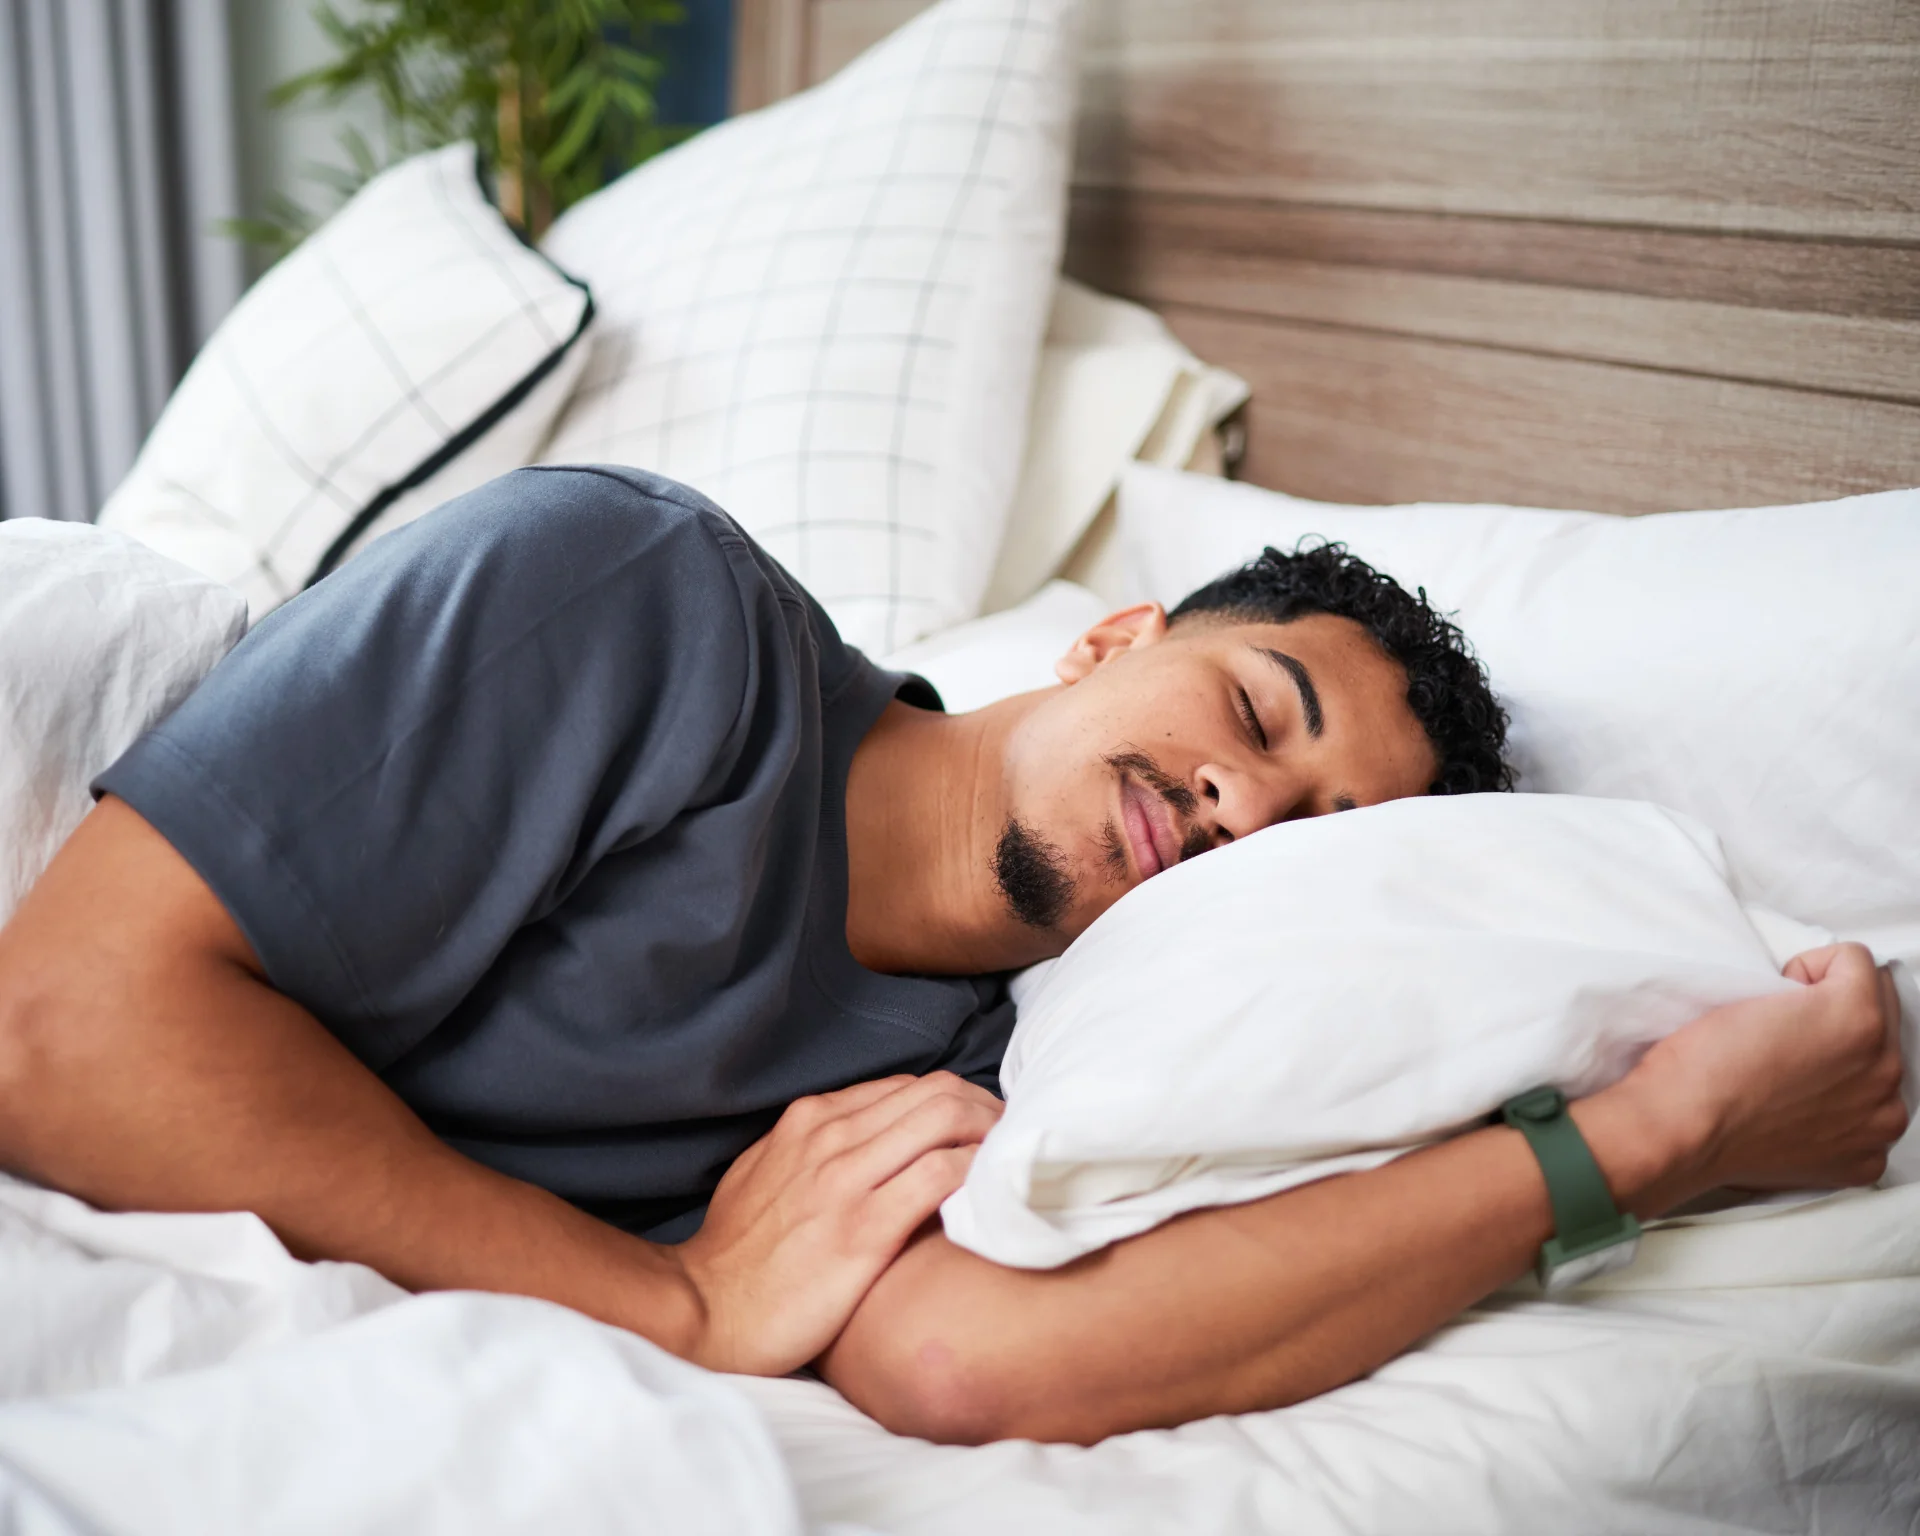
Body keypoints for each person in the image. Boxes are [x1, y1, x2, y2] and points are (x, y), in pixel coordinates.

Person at [0, 467, 1904, 1445]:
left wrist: (1642, 1147)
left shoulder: (1013, 1058)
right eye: (1258, 706)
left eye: (1311, 840)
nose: (1245, 801)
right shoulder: (642, 603)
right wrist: (665, 1306)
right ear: (1112, 637)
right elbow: (65, 1022)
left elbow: (970, 1370)